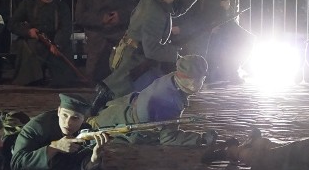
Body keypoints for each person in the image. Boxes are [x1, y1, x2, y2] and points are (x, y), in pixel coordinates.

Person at [94, 0, 197, 109]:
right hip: (136, 63)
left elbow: (175, 8)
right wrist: (176, 54)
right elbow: (152, 50)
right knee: (121, 100)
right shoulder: (154, 13)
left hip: (136, 58)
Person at [88, 54, 217, 146]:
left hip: (118, 110)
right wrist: (201, 139)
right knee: (87, 135)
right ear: (191, 82)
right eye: (201, 79)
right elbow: (168, 139)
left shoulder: (172, 80)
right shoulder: (169, 101)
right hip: (118, 124)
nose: (202, 83)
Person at [9, 93, 108, 170]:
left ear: (84, 119)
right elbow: (17, 167)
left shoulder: (84, 133)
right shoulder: (38, 127)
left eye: (75, 118)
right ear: (59, 111)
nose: (68, 123)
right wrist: (54, 147)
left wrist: (94, 159)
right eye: (65, 115)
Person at [8, 0, 76, 88]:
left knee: (64, 79)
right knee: (31, 48)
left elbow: (66, 27)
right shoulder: (27, 4)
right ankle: (33, 78)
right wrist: (28, 32)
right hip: (34, 40)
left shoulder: (62, 6)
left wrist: (57, 44)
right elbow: (12, 24)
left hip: (55, 40)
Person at [73, 0, 135, 83]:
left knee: (121, 63)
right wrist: (101, 19)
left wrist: (119, 16)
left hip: (118, 34)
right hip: (97, 35)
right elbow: (80, 17)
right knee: (94, 68)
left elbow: (132, 10)